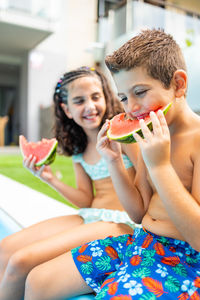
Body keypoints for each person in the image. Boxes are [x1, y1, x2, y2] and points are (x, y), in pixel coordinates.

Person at [21, 29, 200, 300]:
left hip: (182, 260)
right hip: (139, 242)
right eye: (125, 97)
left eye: (140, 92)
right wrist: (114, 161)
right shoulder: (150, 134)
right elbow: (138, 214)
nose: (131, 108)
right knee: (38, 281)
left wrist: (160, 167)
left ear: (178, 83)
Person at [0, 66, 138, 300]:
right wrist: (49, 178)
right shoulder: (79, 148)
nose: (90, 106)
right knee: (4, 250)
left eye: (95, 97)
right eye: (79, 100)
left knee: (20, 262)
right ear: (67, 109)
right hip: (89, 215)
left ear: (105, 97)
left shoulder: (123, 135)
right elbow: (85, 198)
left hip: (120, 221)